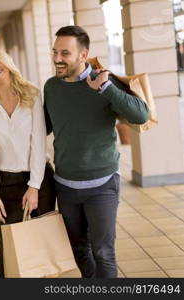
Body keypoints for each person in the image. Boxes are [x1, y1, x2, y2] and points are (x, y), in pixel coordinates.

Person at [43, 25, 149, 278]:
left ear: (83, 54)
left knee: (103, 252)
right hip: (65, 185)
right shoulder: (52, 87)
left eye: (65, 53)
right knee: (78, 250)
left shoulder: (105, 81)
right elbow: (45, 126)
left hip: (101, 185)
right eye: (55, 52)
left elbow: (140, 115)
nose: (57, 59)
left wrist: (107, 89)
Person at [0, 47, 54, 278]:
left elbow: (39, 142)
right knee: (10, 246)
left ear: (6, 62)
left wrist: (34, 186)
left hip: (40, 179)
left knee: (41, 241)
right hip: (6, 183)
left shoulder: (32, 94)